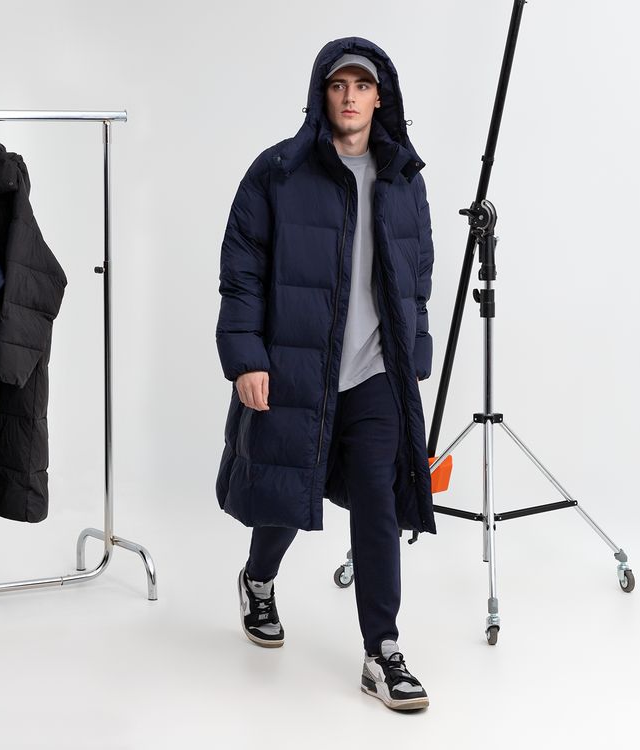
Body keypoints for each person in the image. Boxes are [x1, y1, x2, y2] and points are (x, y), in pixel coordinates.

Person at [215, 37, 437, 712]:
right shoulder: (279, 172)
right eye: (339, 85)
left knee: (378, 502)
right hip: (297, 367)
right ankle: (258, 579)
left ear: (379, 96)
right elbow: (242, 270)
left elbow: (418, 274)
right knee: (289, 493)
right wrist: (247, 358)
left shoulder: (403, 177)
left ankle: (382, 650)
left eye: (361, 86)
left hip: (375, 373)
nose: (349, 97)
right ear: (322, 94)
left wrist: (415, 349)